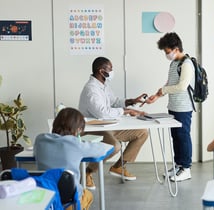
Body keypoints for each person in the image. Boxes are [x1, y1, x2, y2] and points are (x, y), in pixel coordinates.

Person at [78, 56, 148, 188]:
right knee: (114, 146)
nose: (112, 71)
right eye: (110, 69)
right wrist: (125, 111)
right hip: (92, 129)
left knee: (142, 133)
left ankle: (118, 167)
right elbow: (102, 113)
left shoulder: (103, 85)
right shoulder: (91, 89)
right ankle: (88, 172)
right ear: (101, 71)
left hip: (108, 126)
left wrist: (133, 101)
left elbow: (114, 101)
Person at [145, 32, 194, 182]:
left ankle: (186, 168)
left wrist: (164, 90)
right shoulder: (174, 63)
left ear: (176, 48)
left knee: (183, 136)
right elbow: (169, 83)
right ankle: (179, 165)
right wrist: (157, 95)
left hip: (184, 107)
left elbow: (182, 86)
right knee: (176, 137)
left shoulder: (187, 64)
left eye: (167, 52)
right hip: (173, 106)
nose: (166, 55)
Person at [34, 107, 104, 210]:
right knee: (88, 195)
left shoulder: (39, 139)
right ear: (78, 129)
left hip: (46, 195)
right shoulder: (75, 144)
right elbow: (101, 150)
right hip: (70, 198)